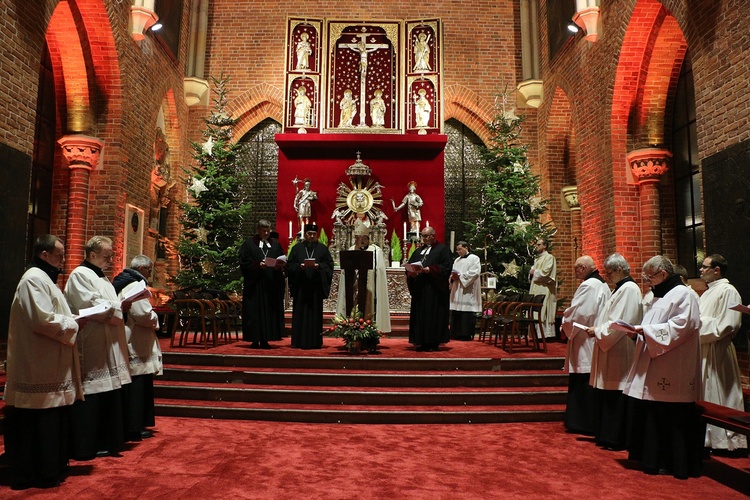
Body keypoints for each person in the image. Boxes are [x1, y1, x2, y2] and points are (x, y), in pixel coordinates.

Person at [4, 235, 84, 490]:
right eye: (59, 255)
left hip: (47, 362)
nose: (62, 260)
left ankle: (50, 468)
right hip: (37, 364)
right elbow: (40, 320)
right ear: (44, 255)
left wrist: (69, 318)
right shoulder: (33, 279)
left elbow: (52, 315)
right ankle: (35, 472)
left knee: (50, 417)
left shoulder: (44, 280)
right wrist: (72, 323)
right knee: (36, 420)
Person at [623, 255, 703, 479]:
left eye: (650, 276)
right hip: (657, 359)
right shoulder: (663, 295)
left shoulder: (685, 295)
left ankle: (672, 461)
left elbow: (682, 326)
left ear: (663, 274)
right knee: (655, 414)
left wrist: (645, 332)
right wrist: (638, 332)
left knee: (671, 416)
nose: (648, 281)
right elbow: (654, 324)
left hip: (673, 364)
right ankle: (653, 459)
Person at [64, 235, 131, 460]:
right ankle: (86, 444)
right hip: (91, 343)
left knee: (108, 394)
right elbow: (92, 305)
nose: (111, 259)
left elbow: (108, 305)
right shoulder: (79, 275)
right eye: (107, 255)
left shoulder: (102, 278)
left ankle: (106, 440)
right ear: (92, 255)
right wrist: (120, 307)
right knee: (92, 395)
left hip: (107, 343)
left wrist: (119, 306)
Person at [583, 253, 642, 450]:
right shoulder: (620, 288)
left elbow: (620, 322)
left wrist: (598, 330)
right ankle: (607, 435)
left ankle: (616, 438)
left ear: (619, 270)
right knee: (607, 393)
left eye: (609, 272)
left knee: (616, 393)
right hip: (611, 347)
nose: (606, 276)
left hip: (620, 349)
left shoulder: (630, 289)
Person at [697, 254, 747, 452]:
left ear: (717, 269)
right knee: (707, 394)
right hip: (704, 349)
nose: (701, 270)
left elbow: (728, 325)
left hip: (719, 350)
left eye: (704, 266)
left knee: (721, 393)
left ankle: (727, 442)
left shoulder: (728, 291)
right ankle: (709, 439)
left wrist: (697, 327)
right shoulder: (708, 292)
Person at [113, 255, 162, 442]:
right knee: (137, 387)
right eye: (149, 270)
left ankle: (135, 424)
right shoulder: (134, 286)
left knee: (136, 384)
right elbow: (143, 314)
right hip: (136, 340)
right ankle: (135, 426)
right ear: (142, 268)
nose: (149, 274)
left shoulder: (124, 281)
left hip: (133, 337)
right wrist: (156, 318)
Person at [560, 255, 611, 435]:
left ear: (583, 268)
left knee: (583, 378)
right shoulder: (602, 284)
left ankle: (581, 421)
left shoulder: (589, 285)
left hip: (585, 337)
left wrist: (564, 322)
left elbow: (579, 313)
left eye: (576, 268)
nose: (575, 272)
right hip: (591, 335)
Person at [239, 220, 287, 349]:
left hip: (270, 285)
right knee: (255, 312)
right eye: (263, 230)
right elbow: (244, 262)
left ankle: (267, 339)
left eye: (268, 231)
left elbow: (282, 262)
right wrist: (258, 265)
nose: (266, 233)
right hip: (255, 285)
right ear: (258, 230)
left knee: (269, 312)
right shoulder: (249, 244)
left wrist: (279, 266)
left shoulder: (275, 245)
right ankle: (254, 339)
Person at [336, 225, 391, 333]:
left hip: (370, 287)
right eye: (357, 238)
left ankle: (370, 330)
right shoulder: (351, 249)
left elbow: (379, 270)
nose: (360, 241)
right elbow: (345, 269)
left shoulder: (376, 250)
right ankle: (352, 329)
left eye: (363, 238)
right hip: (354, 286)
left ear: (367, 238)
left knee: (369, 306)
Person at [287, 224, 334, 349]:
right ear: (305, 234)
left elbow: (329, 266)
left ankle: (315, 342)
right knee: (299, 314)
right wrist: (299, 267)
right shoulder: (297, 249)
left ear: (317, 235)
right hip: (301, 287)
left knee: (315, 315)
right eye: (309, 234)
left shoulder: (323, 249)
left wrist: (319, 267)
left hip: (315, 289)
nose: (311, 236)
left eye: (314, 234)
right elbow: (290, 265)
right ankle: (298, 341)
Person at [406, 227, 453, 352]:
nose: (425, 238)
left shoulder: (443, 249)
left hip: (434, 290)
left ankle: (433, 342)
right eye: (423, 236)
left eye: (427, 236)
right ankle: (420, 341)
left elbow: (446, 267)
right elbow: (410, 266)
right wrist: (412, 273)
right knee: (420, 314)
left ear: (433, 235)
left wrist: (430, 270)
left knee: (432, 315)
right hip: (420, 289)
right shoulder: (418, 251)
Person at [449, 241, 482, 341]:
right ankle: (455, 333)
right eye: (457, 250)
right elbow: (452, 272)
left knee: (466, 312)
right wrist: (452, 277)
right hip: (457, 288)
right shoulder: (457, 260)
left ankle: (465, 334)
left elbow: (475, 272)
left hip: (468, 289)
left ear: (466, 247)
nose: (458, 252)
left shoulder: (474, 258)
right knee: (457, 311)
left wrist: (460, 276)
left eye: (460, 249)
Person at [528, 237, 557, 339]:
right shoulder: (538, 259)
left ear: (545, 246)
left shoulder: (549, 257)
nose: (536, 246)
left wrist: (534, 272)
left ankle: (544, 334)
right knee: (535, 310)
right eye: (536, 244)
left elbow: (546, 272)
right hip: (535, 286)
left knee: (543, 309)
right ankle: (535, 335)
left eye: (539, 244)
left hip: (544, 288)